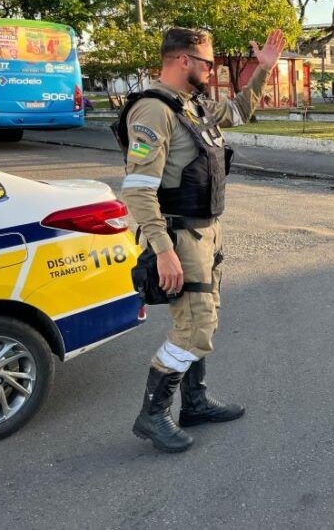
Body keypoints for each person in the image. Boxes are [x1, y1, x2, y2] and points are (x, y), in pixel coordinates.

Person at [121, 27, 286, 453]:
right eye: (207, 63)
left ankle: (193, 402)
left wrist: (263, 70)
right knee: (194, 327)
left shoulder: (193, 105)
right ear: (183, 60)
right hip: (178, 234)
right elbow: (138, 189)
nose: (211, 71)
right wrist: (162, 250)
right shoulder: (153, 111)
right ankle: (152, 415)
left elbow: (240, 111)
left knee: (204, 315)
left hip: (206, 230)